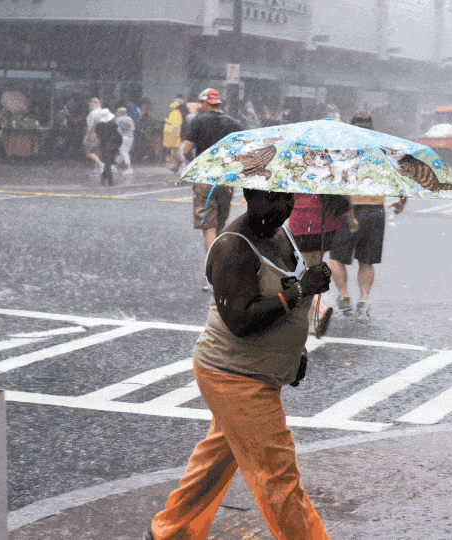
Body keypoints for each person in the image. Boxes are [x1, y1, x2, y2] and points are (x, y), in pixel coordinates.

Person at [143, 188, 333, 540]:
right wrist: (301, 291)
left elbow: (280, 304)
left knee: (215, 462)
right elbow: (240, 321)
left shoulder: (280, 232)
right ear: (248, 195)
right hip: (235, 376)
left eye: (287, 198)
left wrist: (294, 353)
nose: (282, 207)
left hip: (258, 371)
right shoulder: (234, 247)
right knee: (277, 476)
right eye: (271, 199)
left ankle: (170, 532)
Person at [327, 111, 406, 319]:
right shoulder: (382, 149)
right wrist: (401, 201)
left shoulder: (344, 149)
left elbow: (336, 178)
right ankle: (363, 299)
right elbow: (400, 175)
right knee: (366, 260)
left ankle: (344, 296)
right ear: (372, 126)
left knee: (336, 257)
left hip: (349, 209)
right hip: (375, 210)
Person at [181, 88, 243, 256]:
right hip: (226, 179)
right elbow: (242, 153)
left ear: (205, 103)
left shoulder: (198, 121)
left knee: (209, 226)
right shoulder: (234, 123)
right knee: (220, 224)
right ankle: (222, 266)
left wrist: (190, 161)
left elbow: (186, 147)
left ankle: (213, 272)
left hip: (205, 177)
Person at [288, 193, 357, 337]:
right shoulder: (326, 169)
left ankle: (320, 310)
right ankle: (310, 324)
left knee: (301, 275)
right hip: (326, 222)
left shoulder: (296, 171)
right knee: (312, 272)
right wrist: (351, 219)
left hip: (303, 221)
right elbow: (345, 193)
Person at [94, 108, 123, 186]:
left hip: (103, 146)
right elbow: (119, 136)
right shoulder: (113, 125)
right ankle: (110, 180)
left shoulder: (99, 126)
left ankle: (104, 179)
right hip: (112, 146)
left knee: (107, 162)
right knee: (108, 163)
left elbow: (97, 135)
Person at [83, 97, 106, 173]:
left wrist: (86, 136)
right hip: (101, 134)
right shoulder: (103, 112)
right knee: (97, 152)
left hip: (93, 134)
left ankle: (101, 164)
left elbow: (90, 126)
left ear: (92, 105)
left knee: (90, 152)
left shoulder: (92, 114)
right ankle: (96, 169)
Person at [163, 100, 184, 172]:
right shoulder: (177, 113)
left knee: (175, 150)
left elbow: (173, 123)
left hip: (173, 134)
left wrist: (166, 120)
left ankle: (179, 163)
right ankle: (176, 165)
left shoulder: (175, 113)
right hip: (173, 134)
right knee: (174, 150)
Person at [114, 107, 135, 175]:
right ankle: (115, 166)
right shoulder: (129, 119)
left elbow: (117, 129)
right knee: (122, 152)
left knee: (124, 152)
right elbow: (133, 129)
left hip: (123, 137)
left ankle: (129, 168)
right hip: (130, 137)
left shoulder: (118, 119)